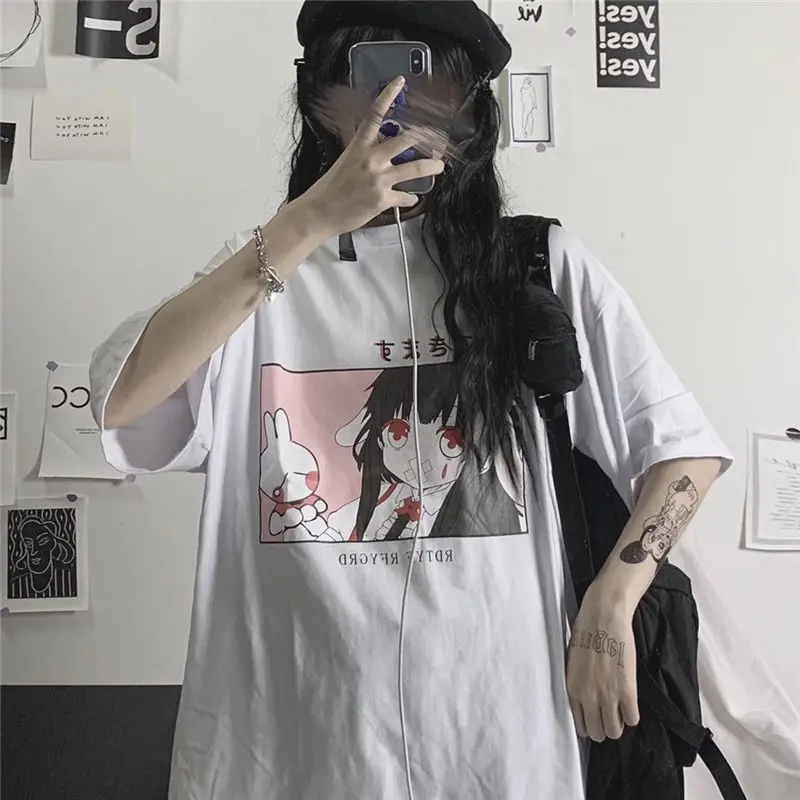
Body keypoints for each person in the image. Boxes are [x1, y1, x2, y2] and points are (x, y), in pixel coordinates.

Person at [88, 2, 732, 798]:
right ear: (320, 99)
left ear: (473, 113)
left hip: (501, 745)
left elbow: (683, 452)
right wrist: (306, 221)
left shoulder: (537, 269)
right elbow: (121, 408)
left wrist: (611, 602)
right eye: (368, 76)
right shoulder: (262, 278)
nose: (396, 107)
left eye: (429, 81)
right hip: (288, 750)